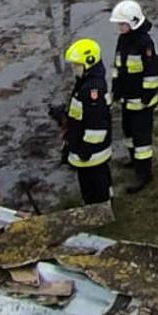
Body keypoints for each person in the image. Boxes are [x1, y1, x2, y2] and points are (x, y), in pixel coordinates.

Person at [49, 39, 113, 205]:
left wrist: (85, 150)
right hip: (87, 151)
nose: (74, 69)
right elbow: (81, 115)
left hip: (92, 154)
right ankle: (102, 203)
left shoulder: (93, 90)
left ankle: (102, 210)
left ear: (88, 63)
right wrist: (62, 116)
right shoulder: (85, 83)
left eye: (77, 65)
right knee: (95, 183)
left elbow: (97, 125)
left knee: (96, 187)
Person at [110, 0, 158, 194]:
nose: (119, 28)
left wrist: (148, 95)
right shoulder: (123, 40)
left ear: (132, 22)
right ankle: (134, 160)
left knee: (142, 140)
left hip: (142, 101)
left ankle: (144, 174)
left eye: (122, 24)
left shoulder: (144, 43)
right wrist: (116, 87)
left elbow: (152, 72)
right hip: (127, 98)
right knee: (128, 132)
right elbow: (118, 66)